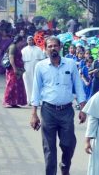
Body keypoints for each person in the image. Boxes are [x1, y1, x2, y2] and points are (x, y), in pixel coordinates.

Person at [30, 36, 86, 175]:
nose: (53, 48)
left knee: (69, 144)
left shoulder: (71, 64)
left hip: (67, 110)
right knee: (49, 148)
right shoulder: (40, 66)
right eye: (49, 46)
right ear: (45, 49)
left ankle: (65, 165)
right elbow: (36, 89)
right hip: (48, 110)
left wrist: (83, 108)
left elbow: (78, 86)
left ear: (60, 47)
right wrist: (33, 114)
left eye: (55, 46)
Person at [3, 35, 28, 108]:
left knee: (17, 86)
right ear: (19, 41)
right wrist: (14, 69)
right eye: (22, 41)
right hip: (12, 69)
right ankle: (7, 101)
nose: (23, 43)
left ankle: (14, 102)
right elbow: (11, 58)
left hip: (18, 69)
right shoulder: (13, 47)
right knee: (11, 85)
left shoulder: (17, 47)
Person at [21, 36, 45, 105]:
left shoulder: (38, 49)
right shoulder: (24, 50)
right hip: (27, 68)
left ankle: (38, 100)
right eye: (29, 40)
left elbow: (42, 60)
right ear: (27, 41)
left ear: (33, 41)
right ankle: (29, 100)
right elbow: (22, 60)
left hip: (36, 68)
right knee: (28, 84)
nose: (30, 41)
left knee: (37, 83)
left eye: (31, 40)